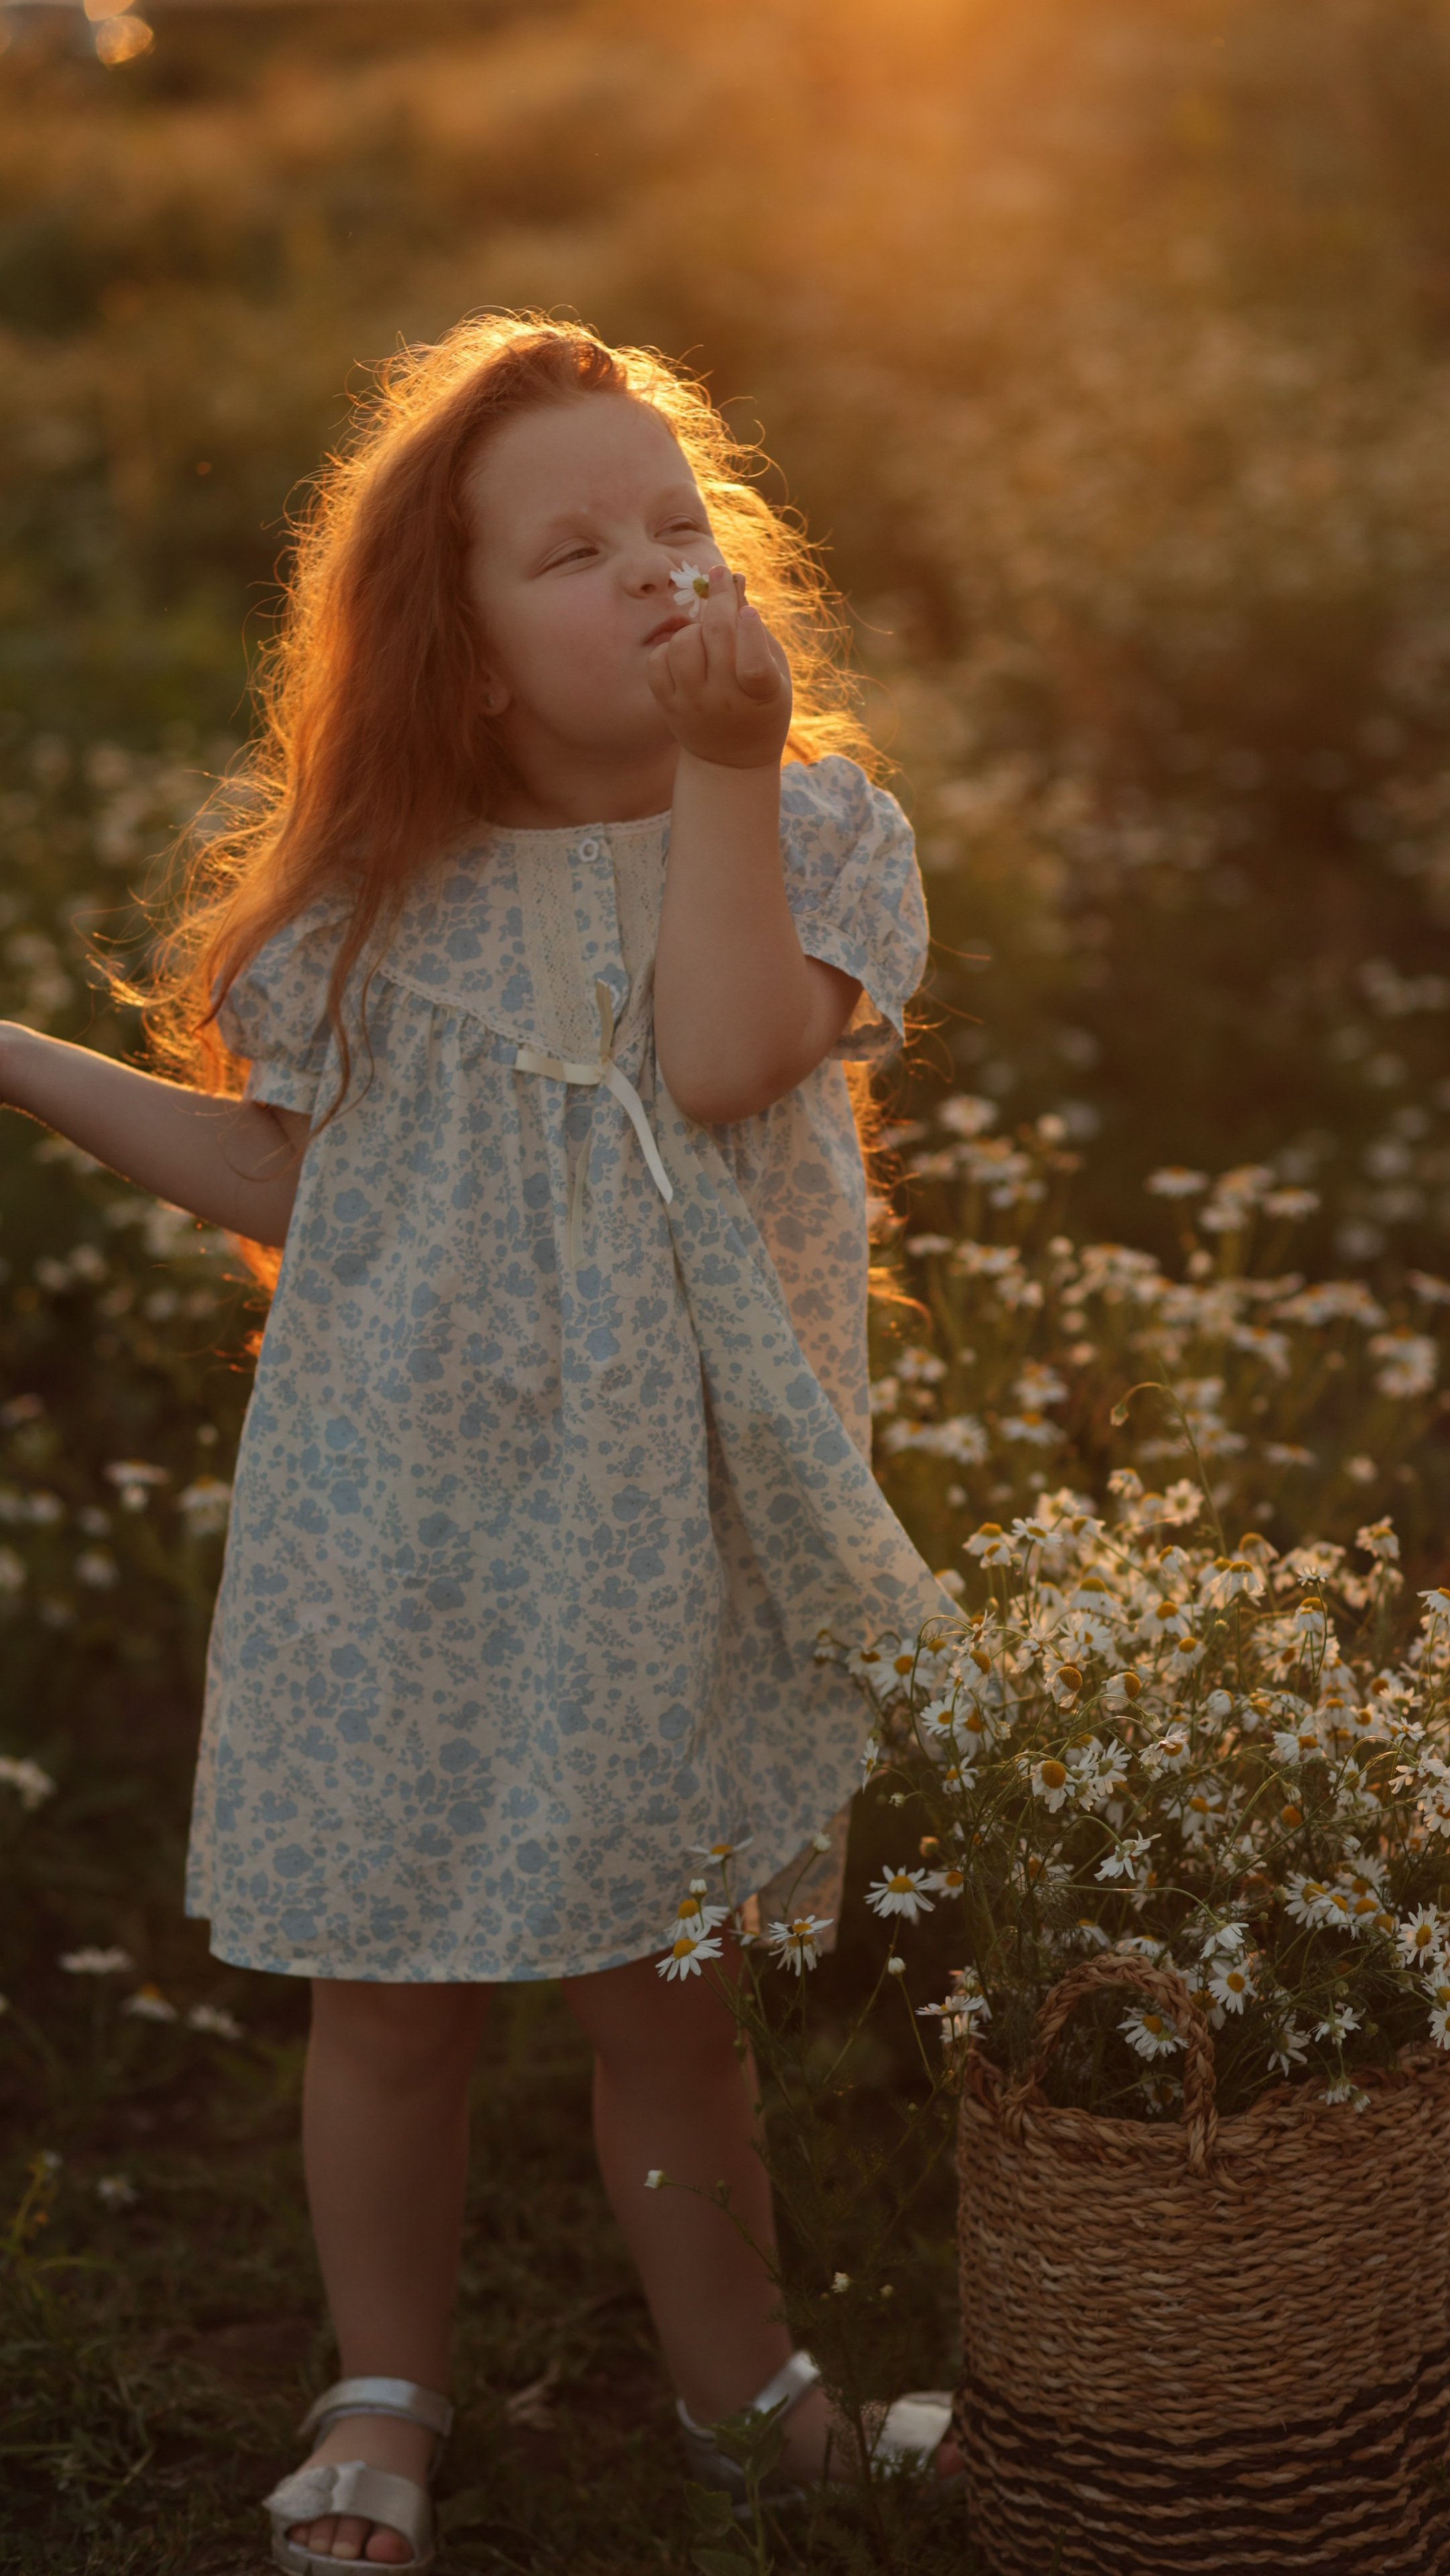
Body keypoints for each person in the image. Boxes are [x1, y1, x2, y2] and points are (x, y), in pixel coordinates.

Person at [0, 314, 959, 2571]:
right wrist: (22, 1061)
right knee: (394, 1992)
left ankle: (748, 2391)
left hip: (673, 1524)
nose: (649, 569)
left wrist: (724, 771)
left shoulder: (818, 835)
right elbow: (301, 1187)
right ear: (464, 650)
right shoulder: (371, 902)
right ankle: (385, 2381)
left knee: (668, 2000)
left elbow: (724, 1057)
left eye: (677, 523)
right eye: (572, 549)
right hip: (398, 1505)